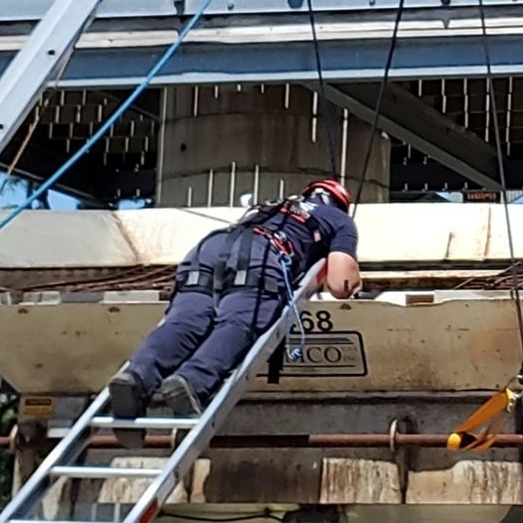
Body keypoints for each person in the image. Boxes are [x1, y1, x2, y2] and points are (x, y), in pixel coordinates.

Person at [108, 177, 358, 421]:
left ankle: (136, 378)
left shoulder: (270, 205)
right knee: (238, 323)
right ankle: (192, 383)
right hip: (260, 254)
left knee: (184, 323)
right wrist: (354, 278)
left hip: (209, 249)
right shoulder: (340, 220)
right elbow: (339, 285)